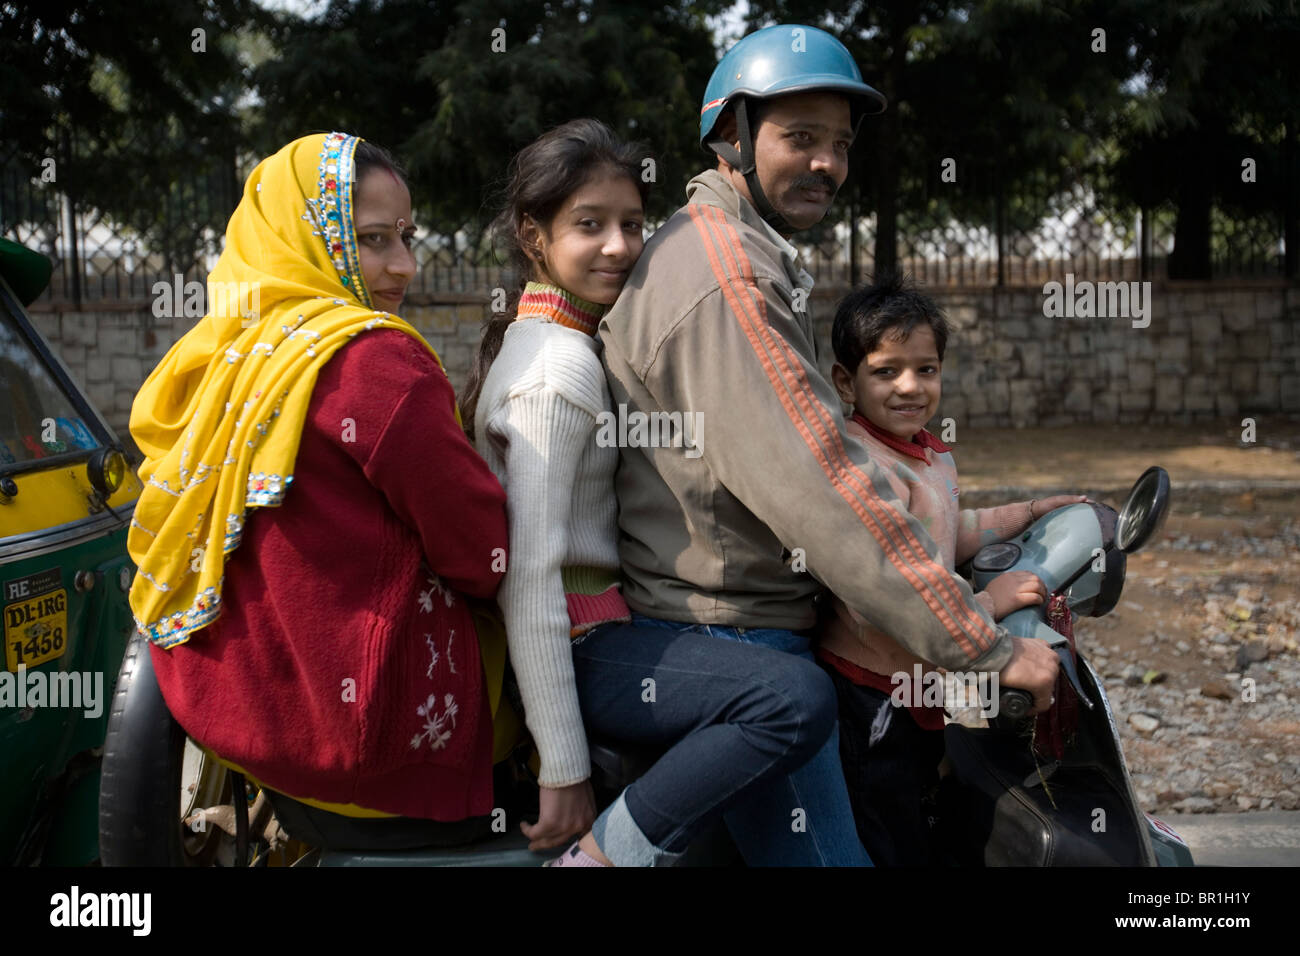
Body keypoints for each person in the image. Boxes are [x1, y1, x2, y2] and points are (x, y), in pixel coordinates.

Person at [598, 23, 1062, 865]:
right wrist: (981, 647)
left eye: (839, 145)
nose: (825, 164)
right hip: (737, 633)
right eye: (799, 138)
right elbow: (823, 486)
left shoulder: (732, 250)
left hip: (739, 623)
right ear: (733, 135)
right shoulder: (726, 274)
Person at [460, 118, 839, 867]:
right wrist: (564, 771)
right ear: (534, 236)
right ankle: (605, 857)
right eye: (589, 225)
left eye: (632, 224)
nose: (619, 247)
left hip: (607, 634)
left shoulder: (558, 341)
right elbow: (531, 579)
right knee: (791, 697)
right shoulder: (557, 372)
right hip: (585, 648)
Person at [127, 133, 510, 822]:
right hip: (367, 743)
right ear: (303, 237)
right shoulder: (374, 362)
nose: (406, 265)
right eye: (371, 239)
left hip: (233, 714)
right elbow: (483, 553)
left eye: (405, 236)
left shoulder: (219, 350)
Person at [818, 272, 1088, 864]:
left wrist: (1032, 511)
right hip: (871, 691)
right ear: (846, 380)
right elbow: (885, 593)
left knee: (925, 800)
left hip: (923, 679)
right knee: (885, 822)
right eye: (886, 371)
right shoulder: (866, 468)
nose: (909, 386)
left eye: (927, 368)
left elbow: (949, 533)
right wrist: (991, 604)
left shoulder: (927, 451)